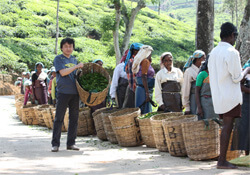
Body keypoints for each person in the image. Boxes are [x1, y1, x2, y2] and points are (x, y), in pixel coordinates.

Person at [208, 22, 250, 169]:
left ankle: (222, 159)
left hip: (219, 95)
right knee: (227, 127)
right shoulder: (232, 52)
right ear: (232, 35)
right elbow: (237, 77)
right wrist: (247, 70)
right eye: (235, 36)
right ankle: (222, 161)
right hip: (230, 96)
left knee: (226, 126)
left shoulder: (213, 52)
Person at [51, 38, 83, 152]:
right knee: (59, 118)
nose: (68, 48)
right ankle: (55, 144)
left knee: (74, 119)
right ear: (61, 48)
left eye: (70, 46)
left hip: (75, 93)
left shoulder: (74, 59)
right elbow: (63, 72)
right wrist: (76, 66)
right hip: (63, 91)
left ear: (73, 48)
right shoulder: (58, 59)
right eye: (66, 46)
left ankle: (71, 143)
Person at [232, 60, 250, 156]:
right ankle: (247, 154)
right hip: (247, 104)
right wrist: (247, 70)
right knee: (246, 128)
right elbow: (238, 85)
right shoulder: (246, 70)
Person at [132, 45, 155, 114]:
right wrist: (147, 92)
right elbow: (144, 77)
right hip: (144, 90)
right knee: (145, 111)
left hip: (141, 89)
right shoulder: (145, 61)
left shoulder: (142, 61)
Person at [182, 50, 206, 115]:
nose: (205, 60)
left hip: (203, 99)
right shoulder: (189, 71)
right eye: (203, 58)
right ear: (198, 59)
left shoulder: (203, 70)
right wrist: (187, 106)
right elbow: (186, 89)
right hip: (193, 99)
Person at [195, 56, 219, 120]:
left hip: (215, 103)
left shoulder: (217, 74)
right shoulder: (202, 74)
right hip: (205, 103)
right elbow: (197, 91)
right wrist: (199, 108)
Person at [123, 43, 143, 108]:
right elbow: (132, 79)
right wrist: (137, 91)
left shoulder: (139, 61)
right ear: (135, 51)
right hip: (133, 90)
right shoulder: (132, 61)